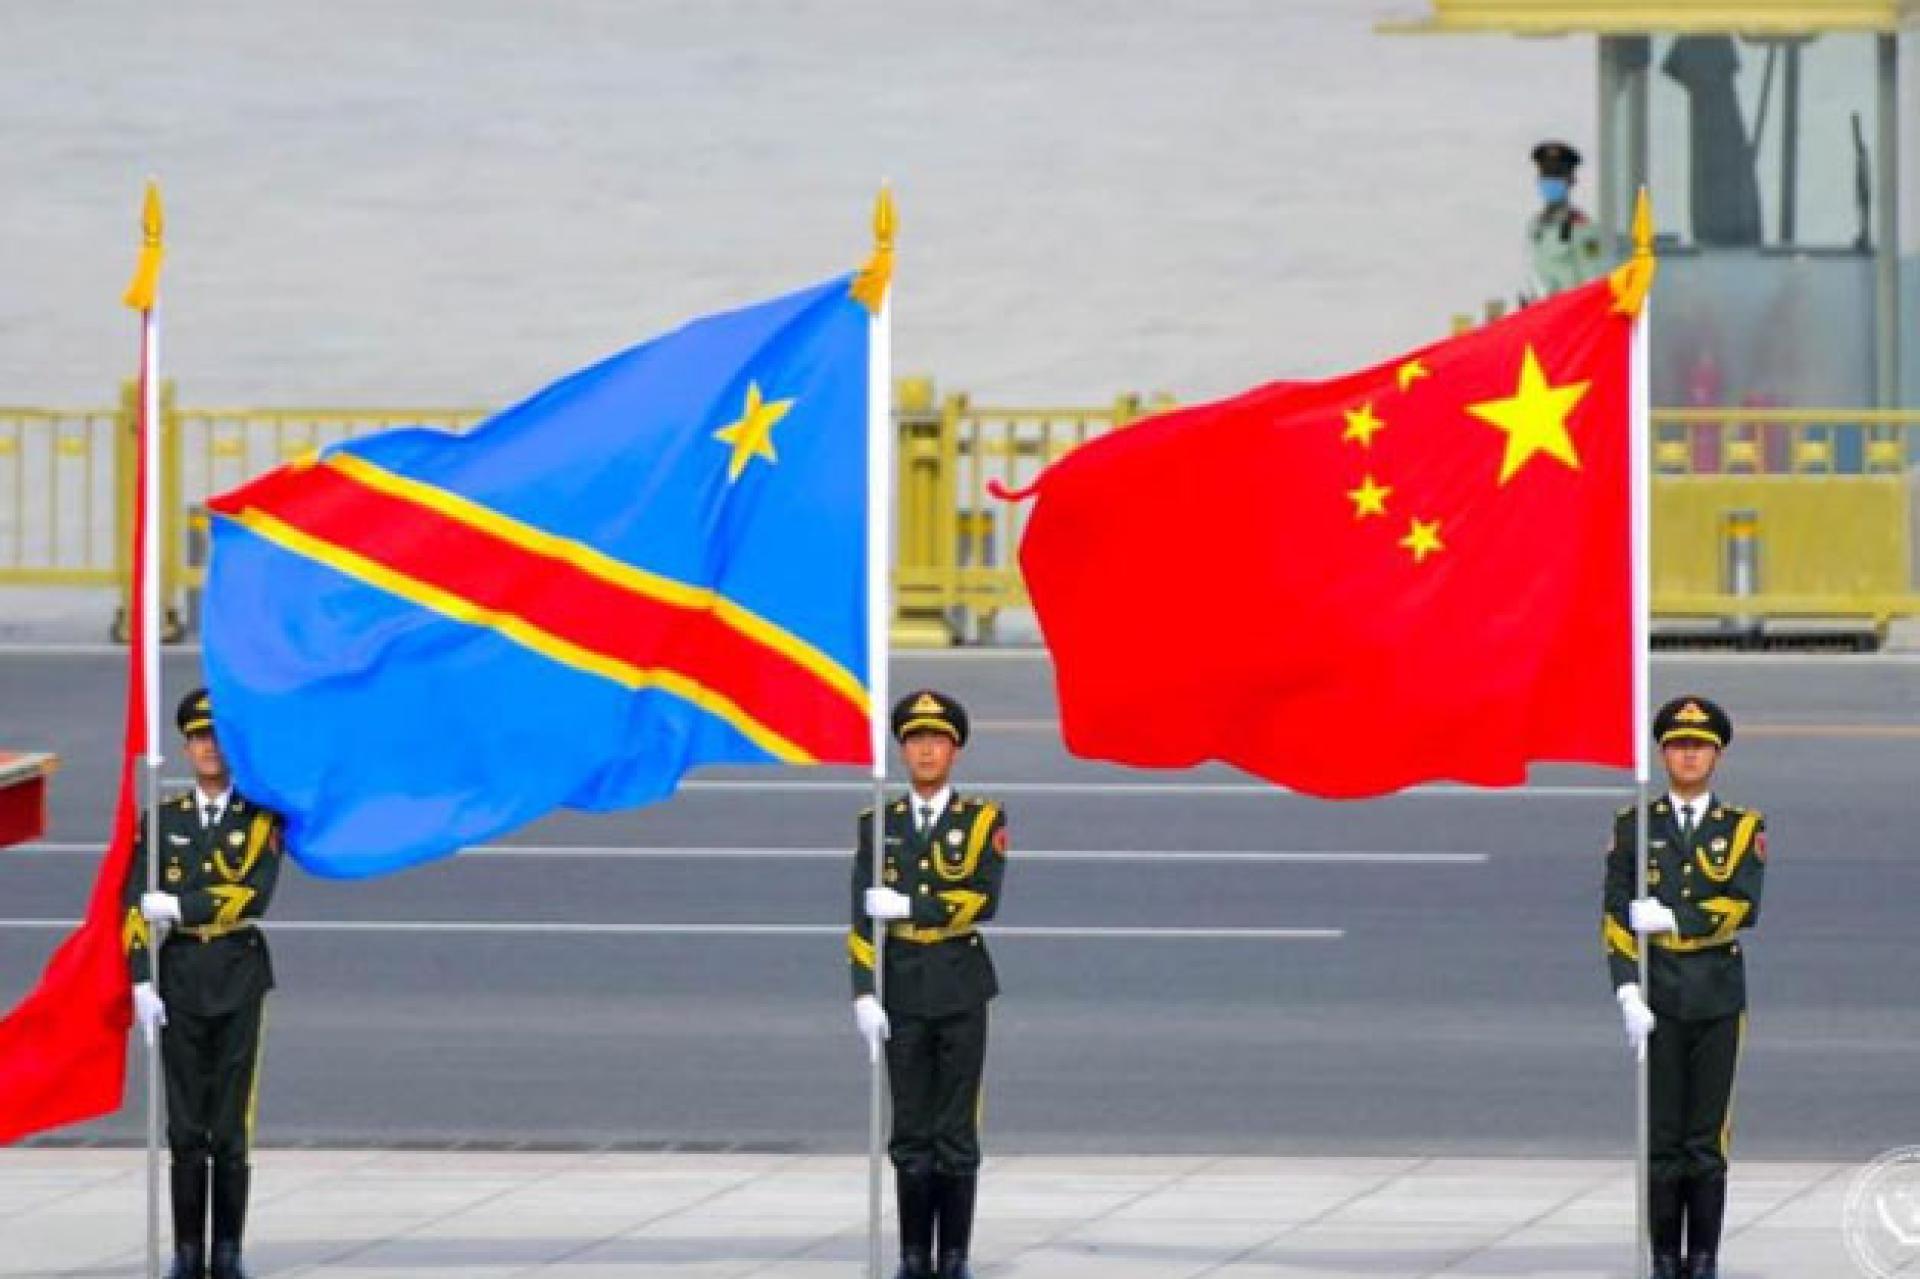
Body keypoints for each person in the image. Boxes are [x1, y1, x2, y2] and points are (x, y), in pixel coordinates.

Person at [124, 688, 286, 1279]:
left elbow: (253, 894)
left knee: (231, 1126)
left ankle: (228, 1251)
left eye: (217, 738)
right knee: (185, 1126)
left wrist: (182, 906)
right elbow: (132, 905)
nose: (209, 749)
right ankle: (189, 1250)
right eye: (199, 739)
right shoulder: (162, 821)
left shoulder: (261, 817)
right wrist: (141, 978)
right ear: (186, 747)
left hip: (238, 975)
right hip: (181, 977)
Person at [1603, 696, 1767, 1279]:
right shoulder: (1634, 827)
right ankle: (1664, 1258)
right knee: (1662, 1139)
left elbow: (1742, 905)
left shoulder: (1743, 828)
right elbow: (1615, 918)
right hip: (1657, 995)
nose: (1687, 754)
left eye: (1698, 746)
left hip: (1716, 996)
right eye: (1677, 745)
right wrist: (1626, 991)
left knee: (1706, 1139)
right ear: (1663, 752)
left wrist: (1674, 920)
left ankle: (1703, 1257)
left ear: (1716, 755)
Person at [849, 690, 1009, 1279]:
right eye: (915, 740)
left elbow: (982, 898)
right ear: (901, 749)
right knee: (910, 1128)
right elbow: (860, 916)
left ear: (955, 750)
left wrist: (910, 903)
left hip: (960, 986)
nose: (925, 750)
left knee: (955, 1129)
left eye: (936, 740)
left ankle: (955, 1257)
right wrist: (864, 991)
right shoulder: (878, 824)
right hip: (902, 991)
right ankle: (914, 1255)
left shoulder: (983, 820)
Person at [1526, 140, 1608, 299]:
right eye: (1546, 175)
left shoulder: (1584, 229)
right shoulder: (1534, 226)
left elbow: (1594, 281)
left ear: (1570, 181)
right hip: (1542, 314)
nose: (1550, 181)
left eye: (1557, 175)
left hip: (1570, 314)